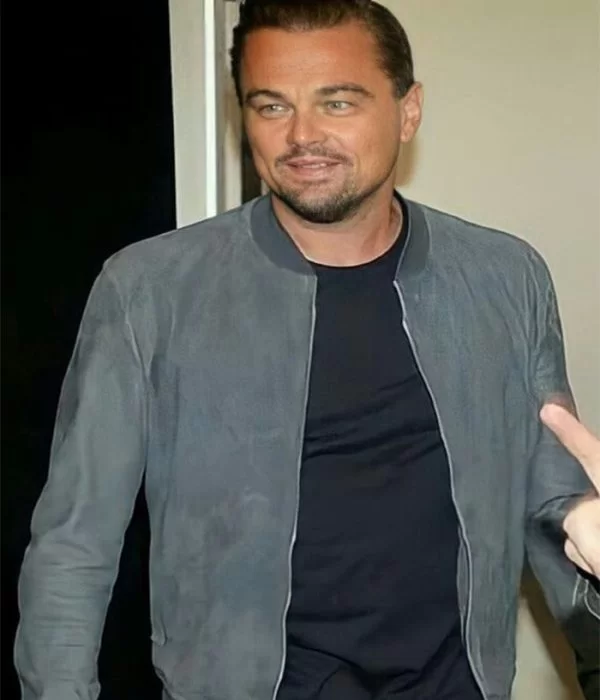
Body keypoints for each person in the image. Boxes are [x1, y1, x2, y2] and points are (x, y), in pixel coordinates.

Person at [15, 2, 599, 699]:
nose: (301, 136)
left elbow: (559, 506)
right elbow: (75, 543)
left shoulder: (505, 276)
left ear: (408, 111)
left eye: (337, 102)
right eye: (271, 106)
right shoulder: (149, 289)